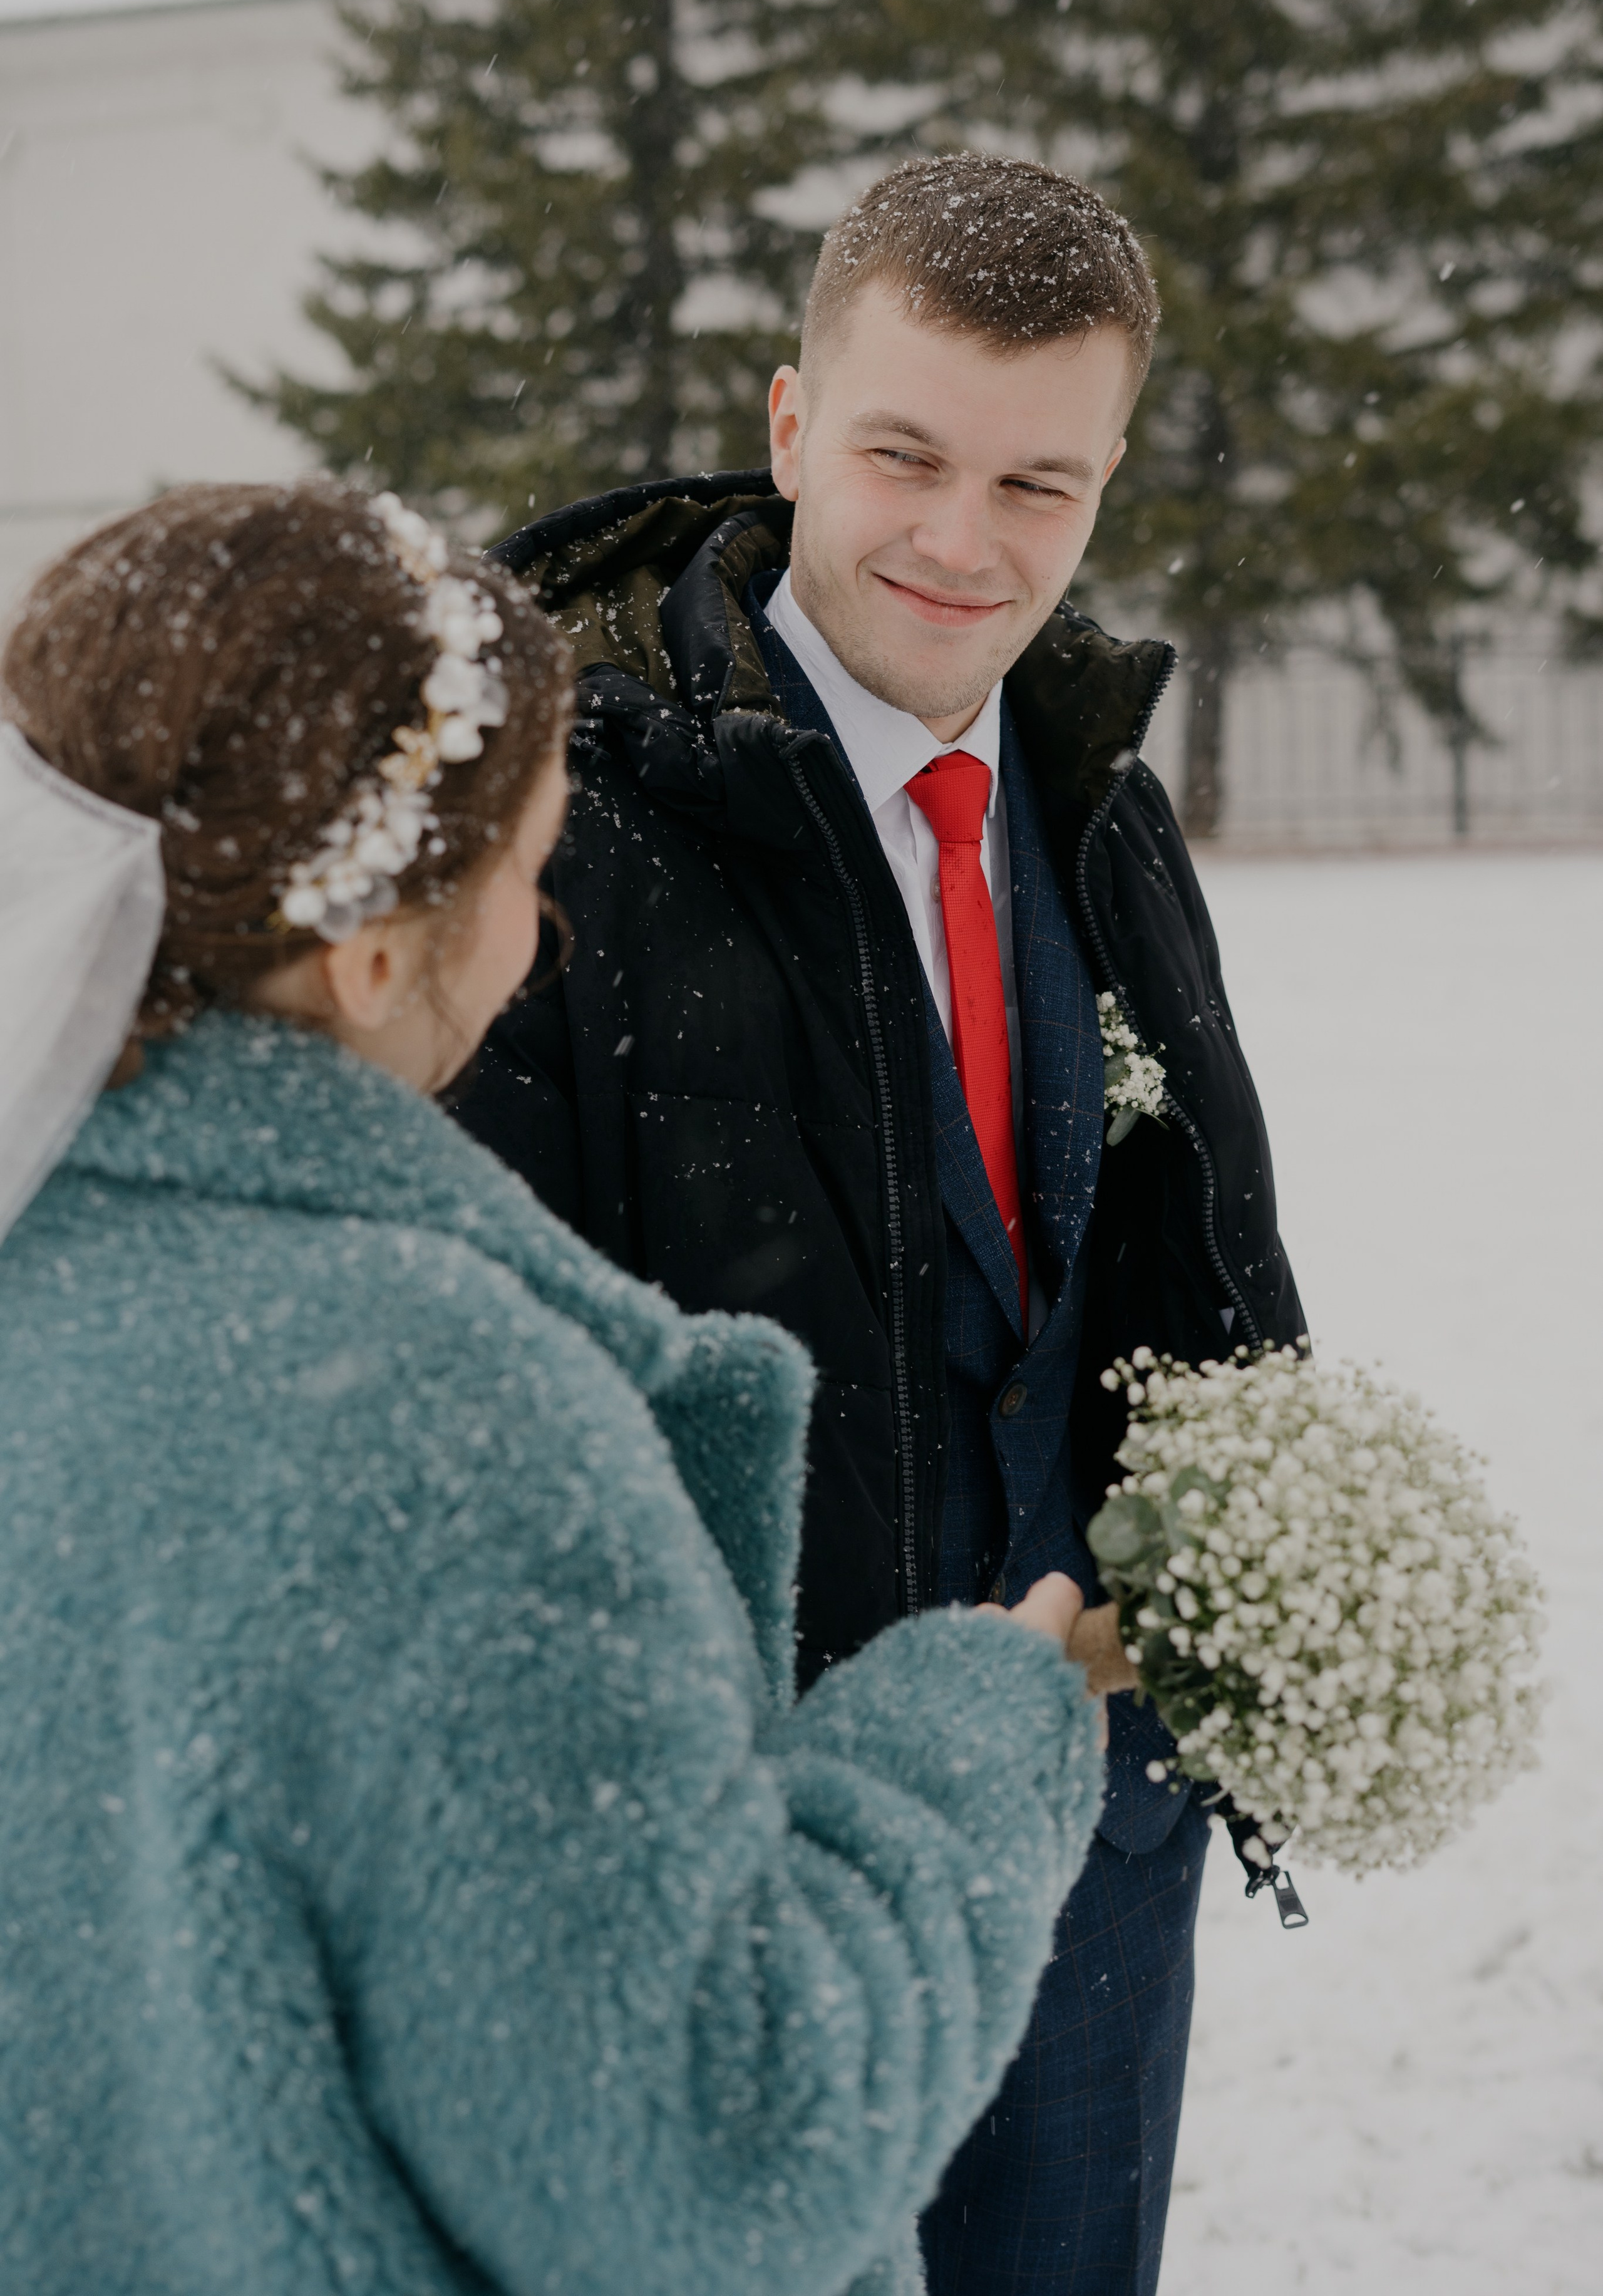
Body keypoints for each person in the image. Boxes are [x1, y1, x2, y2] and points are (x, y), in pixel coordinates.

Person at [0, 478, 1110, 2296]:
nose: (546, 942)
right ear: (368, 952)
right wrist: (972, 1731)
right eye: (525, 879)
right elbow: (709, 2159)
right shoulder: (441, 1429)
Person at [455, 151, 1307, 2296]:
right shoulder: (579, 812)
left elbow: (1190, 1220)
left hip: (1090, 1824)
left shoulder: (1094, 787)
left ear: (1107, 479)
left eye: (1040, 484)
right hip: (753, 1839)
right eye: (903, 453)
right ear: (787, 424)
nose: (960, 541)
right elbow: (500, 1356)